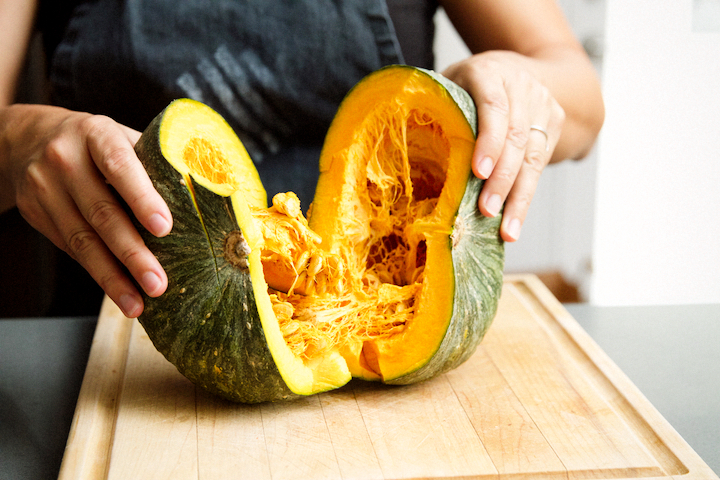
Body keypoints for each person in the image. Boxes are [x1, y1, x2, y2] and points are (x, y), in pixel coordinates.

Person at [0, 0, 604, 318]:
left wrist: (517, 81)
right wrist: (18, 138)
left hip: (392, 305)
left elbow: (581, 97)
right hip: (120, 338)